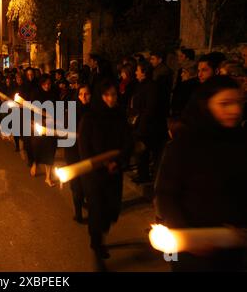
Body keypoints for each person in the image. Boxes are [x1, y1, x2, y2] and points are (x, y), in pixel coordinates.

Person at [155, 76, 247, 272]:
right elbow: (166, 194)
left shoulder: (241, 141)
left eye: (239, 102)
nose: (235, 110)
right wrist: (190, 237)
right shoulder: (183, 144)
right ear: (206, 105)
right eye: (225, 104)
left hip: (233, 247)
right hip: (194, 250)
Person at [79, 79, 133, 271]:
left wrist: (117, 162)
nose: (111, 98)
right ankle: (96, 246)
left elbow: (127, 141)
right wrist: (103, 163)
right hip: (95, 176)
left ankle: (101, 232)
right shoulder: (89, 119)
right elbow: (85, 149)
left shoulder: (119, 116)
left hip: (114, 173)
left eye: (114, 94)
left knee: (111, 210)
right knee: (97, 210)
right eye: (107, 94)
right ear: (100, 97)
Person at [128, 61, 161, 183]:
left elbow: (149, 108)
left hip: (146, 125)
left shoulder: (152, 87)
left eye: (138, 70)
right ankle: (142, 174)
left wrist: (141, 122)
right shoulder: (140, 85)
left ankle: (144, 176)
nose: (136, 72)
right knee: (140, 152)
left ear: (144, 72)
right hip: (138, 124)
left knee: (144, 151)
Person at [64, 84, 92, 224]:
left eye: (87, 94)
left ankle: (85, 201)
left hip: (90, 152)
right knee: (76, 184)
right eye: (81, 94)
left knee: (88, 181)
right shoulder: (73, 111)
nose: (84, 97)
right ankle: (78, 212)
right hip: (74, 151)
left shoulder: (95, 111)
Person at [30, 74, 58, 187]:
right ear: (41, 84)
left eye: (49, 84)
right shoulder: (36, 94)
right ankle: (35, 163)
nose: (47, 86)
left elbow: (58, 107)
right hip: (39, 125)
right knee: (37, 147)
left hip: (51, 126)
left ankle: (48, 177)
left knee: (51, 150)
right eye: (45, 84)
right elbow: (32, 109)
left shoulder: (54, 94)